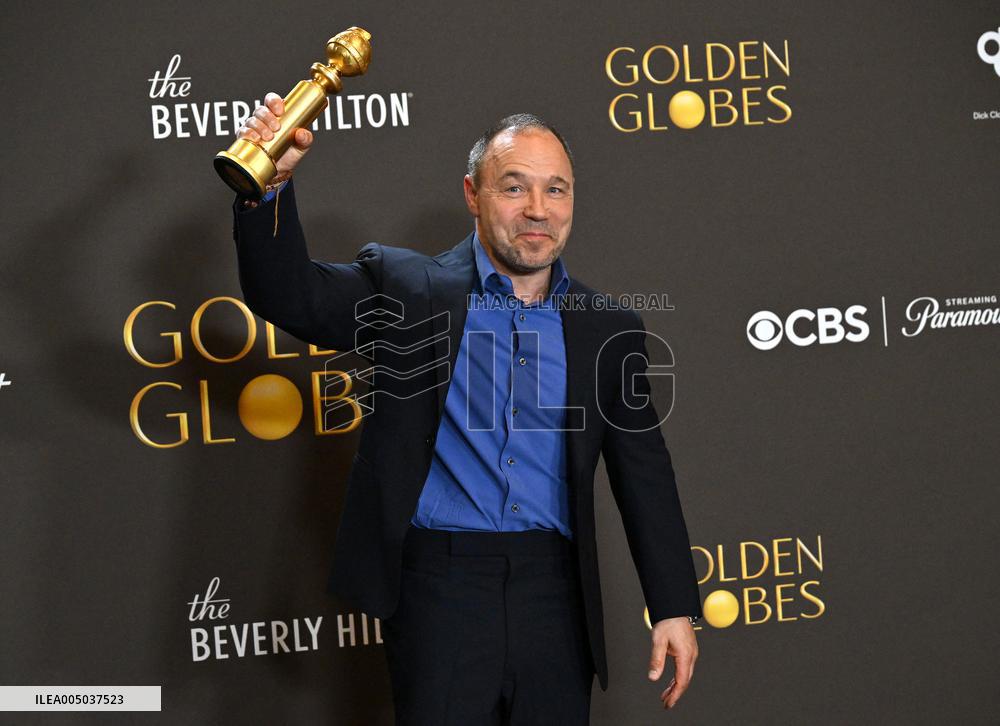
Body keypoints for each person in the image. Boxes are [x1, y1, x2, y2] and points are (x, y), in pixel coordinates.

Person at [230, 92, 703, 724]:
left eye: (556, 190)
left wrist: (672, 605)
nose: (538, 209)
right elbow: (289, 296)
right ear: (473, 195)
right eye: (515, 187)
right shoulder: (406, 288)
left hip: (556, 598)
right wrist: (269, 182)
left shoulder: (607, 327)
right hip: (440, 590)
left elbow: (644, 472)